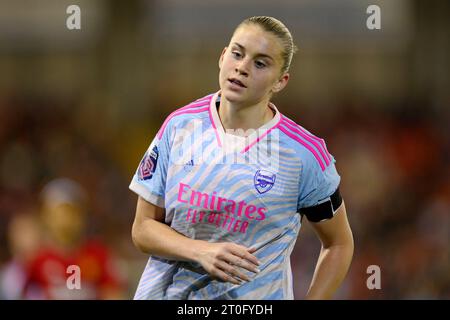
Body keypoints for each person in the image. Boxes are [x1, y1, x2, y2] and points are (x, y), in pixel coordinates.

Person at [130, 16, 354, 300]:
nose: (242, 67)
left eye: (260, 63)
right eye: (237, 54)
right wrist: (201, 251)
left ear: (280, 81)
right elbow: (143, 229)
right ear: (223, 56)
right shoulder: (179, 127)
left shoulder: (304, 155)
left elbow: (339, 244)